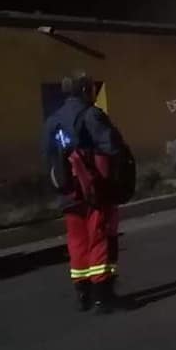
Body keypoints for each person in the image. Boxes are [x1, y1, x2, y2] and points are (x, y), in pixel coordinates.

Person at [43, 72, 124, 314]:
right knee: (98, 236)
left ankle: (83, 294)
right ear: (84, 90)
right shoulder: (91, 115)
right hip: (92, 190)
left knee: (76, 241)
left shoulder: (52, 120)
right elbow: (111, 146)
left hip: (66, 190)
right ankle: (102, 297)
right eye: (90, 89)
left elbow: (47, 155)